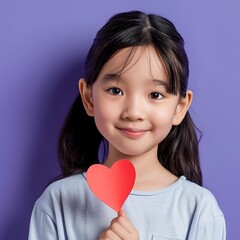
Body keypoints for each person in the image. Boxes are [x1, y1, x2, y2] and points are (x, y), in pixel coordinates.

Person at [28, 10, 226, 239]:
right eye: (116, 91)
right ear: (89, 98)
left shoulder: (199, 209)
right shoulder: (57, 202)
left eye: (155, 95)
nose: (133, 112)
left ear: (180, 107)